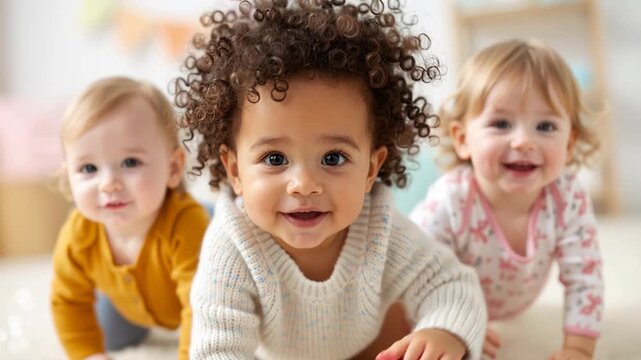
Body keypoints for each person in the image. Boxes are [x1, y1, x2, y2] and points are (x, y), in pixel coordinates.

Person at [172, 0, 487, 359]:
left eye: (333, 158)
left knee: (408, 328)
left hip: (367, 345)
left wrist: (445, 331)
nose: (304, 184)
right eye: (275, 159)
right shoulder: (233, 245)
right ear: (235, 171)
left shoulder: (380, 229)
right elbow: (218, 347)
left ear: (371, 168)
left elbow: (452, 283)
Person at [410, 39, 604, 359]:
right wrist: (451, 321)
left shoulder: (567, 197)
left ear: (569, 145)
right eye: (501, 123)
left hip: (513, 306)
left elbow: (585, 274)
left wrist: (578, 349)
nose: (524, 141)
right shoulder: (452, 198)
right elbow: (415, 268)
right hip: (452, 294)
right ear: (462, 140)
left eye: (545, 126)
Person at [50, 77, 210, 360]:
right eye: (89, 168)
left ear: (172, 168)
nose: (108, 183)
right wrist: (88, 353)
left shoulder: (187, 226)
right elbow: (68, 301)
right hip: (127, 303)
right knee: (112, 337)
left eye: (130, 163)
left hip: (197, 278)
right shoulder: (78, 233)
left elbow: (201, 307)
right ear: (68, 175)